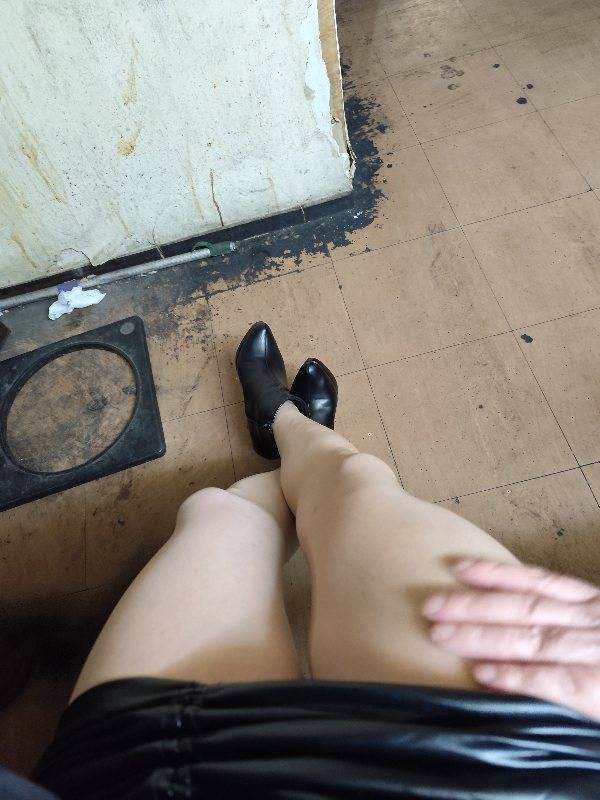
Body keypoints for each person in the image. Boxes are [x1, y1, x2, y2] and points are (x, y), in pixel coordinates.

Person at [32, 322, 599, 798]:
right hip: (516, 766)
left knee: (219, 513)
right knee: (356, 483)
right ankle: (296, 434)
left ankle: (286, 429)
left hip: (163, 777)